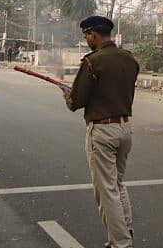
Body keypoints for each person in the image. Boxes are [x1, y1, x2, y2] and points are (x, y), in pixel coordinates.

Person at [65, 15, 140, 248]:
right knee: (117, 184)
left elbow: (75, 101)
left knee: (106, 191)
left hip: (103, 130)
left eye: (87, 35)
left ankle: (121, 243)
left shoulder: (92, 61)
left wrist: (68, 94)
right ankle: (124, 233)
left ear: (94, 35)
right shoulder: (129, 59)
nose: (86, 40)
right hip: (125, 127)